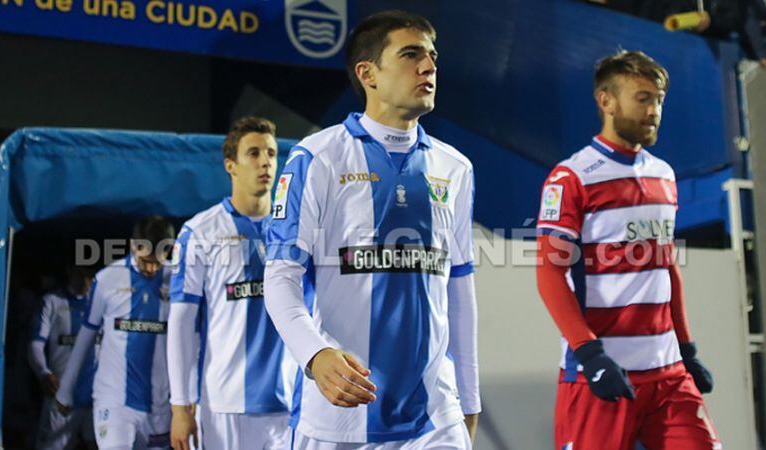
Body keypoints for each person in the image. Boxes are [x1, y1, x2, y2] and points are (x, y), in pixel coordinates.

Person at [264, 10, 480, 449]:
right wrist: (314, 354)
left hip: (435, 417)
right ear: (368, 74)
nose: (429, 66)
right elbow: (280, 275)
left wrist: (470, 397)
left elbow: (459, 287)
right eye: (411, 54)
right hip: (338, 413)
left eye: (433, 56)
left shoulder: (454, 167)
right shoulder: (317, 157)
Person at [535, 50, 722, 450]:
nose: (654, 110)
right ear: (606, 101)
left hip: (669, 375)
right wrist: (590, 355)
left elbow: (666, 267)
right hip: (602, 376)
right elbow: (550, 274)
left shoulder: (664, 175)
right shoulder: (571, 178)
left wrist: (686, 349)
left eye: (658, 100)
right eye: (642, 98)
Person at [168, 116, 294, 450]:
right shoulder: (199, 232)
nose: (265, 161)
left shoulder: (296, 228)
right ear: (231, 166)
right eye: (253, 153)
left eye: (270, 152)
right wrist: (180, 405)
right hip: (225, 403)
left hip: (290, 402)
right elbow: (181, 322)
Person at [56, 216, 175, 450]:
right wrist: (65, 388)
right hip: (114, 400)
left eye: (157, 261)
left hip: (160, 406)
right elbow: (86, 337)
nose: (151, 268)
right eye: (144, 260)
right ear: (133, 245)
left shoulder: (179, 281)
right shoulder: (108, 279)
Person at [29, 265, 97, 450]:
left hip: (97, 397)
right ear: (69, 270)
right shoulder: (52, 301)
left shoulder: (104, 304)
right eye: (80, 274)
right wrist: (44, 373)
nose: (85, 281)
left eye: (89, 276)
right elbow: (35, 344)